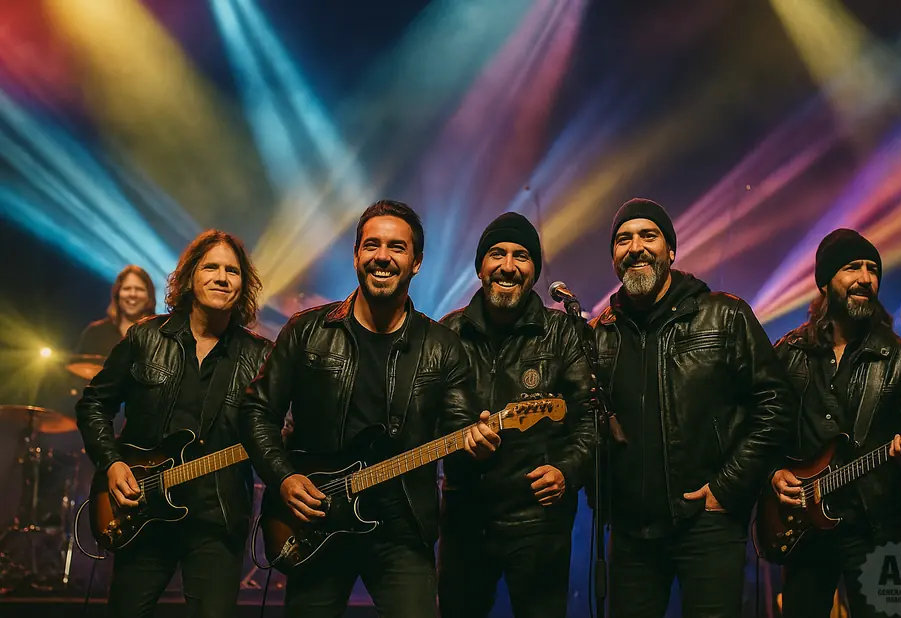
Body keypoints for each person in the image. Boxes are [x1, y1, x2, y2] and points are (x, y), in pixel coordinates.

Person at [238, 199, 499, 618]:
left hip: (402, 529)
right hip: (316, 519)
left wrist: (477, 446)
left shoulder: (442, 347)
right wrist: (283, 478)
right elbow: (256, 411)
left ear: (416, 262)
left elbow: (460, 432)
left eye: (397, 247)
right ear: (356, 254)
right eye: (372, 245)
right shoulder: (306, 331)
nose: (382, 256)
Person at [590, 198, 795, 618]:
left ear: (671, 250)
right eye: (623, 240)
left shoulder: (724, 315)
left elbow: (776, 403)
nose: (635, 247)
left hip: (707, 525)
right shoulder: (600, 334)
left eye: (648, 236)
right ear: (613, 257)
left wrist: (728, 486)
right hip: (630, 534)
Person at [75, 230, 272, 618]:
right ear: (190, 277)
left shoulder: (261, 357)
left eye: (232, 271)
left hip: (217, 520)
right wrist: (112, 463)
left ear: (243, 285)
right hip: (142, 511)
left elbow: (282, 429)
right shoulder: (146, 337)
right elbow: (94, 404)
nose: (221, 277)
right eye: (211, 267)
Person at [437, 213, 596, 618]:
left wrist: (566, 471)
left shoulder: (562, 332)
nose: (508, 266)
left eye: (521, 256)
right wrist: (460, 437)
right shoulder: (447, 332)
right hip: (464, 521)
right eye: (497, 254)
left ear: (534, 273)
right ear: (480, 267)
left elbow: (590, 419)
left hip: (539, 522)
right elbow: (426, 416)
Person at [771, 229, 901, 618]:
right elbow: (762, 429)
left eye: (873, 269)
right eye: (852, 267)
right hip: (805, 527)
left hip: (882, 527)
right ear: (825, 282)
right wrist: (773, 472)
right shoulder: (789, 352)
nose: (865, 278)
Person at [77, 264, 158, 356]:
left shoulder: (160, 338)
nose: (132, 294)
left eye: (139, 289)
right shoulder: (95, 333)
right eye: (127, 289)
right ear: (117, 295)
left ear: (149, 296)